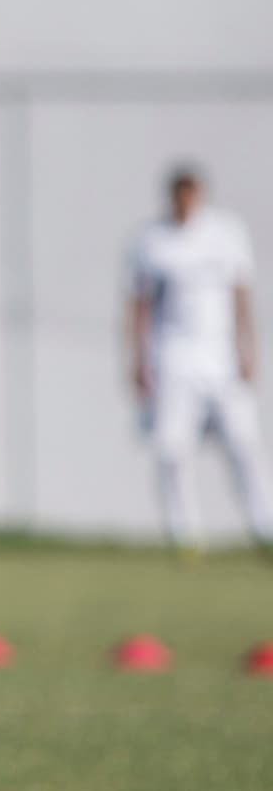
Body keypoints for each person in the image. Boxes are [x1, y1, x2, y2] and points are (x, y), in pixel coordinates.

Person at [128, 165, 273, 549]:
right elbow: (139, 306)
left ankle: (265, 527)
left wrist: (249, 350)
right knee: (173, 449)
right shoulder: (152, 241)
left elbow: (242, 296)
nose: (186, 201)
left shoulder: (227, 233)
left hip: (221, 357)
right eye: (180, 194)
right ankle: (185, 536)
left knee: (245, 443)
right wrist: (138, 361)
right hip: (173, 358)